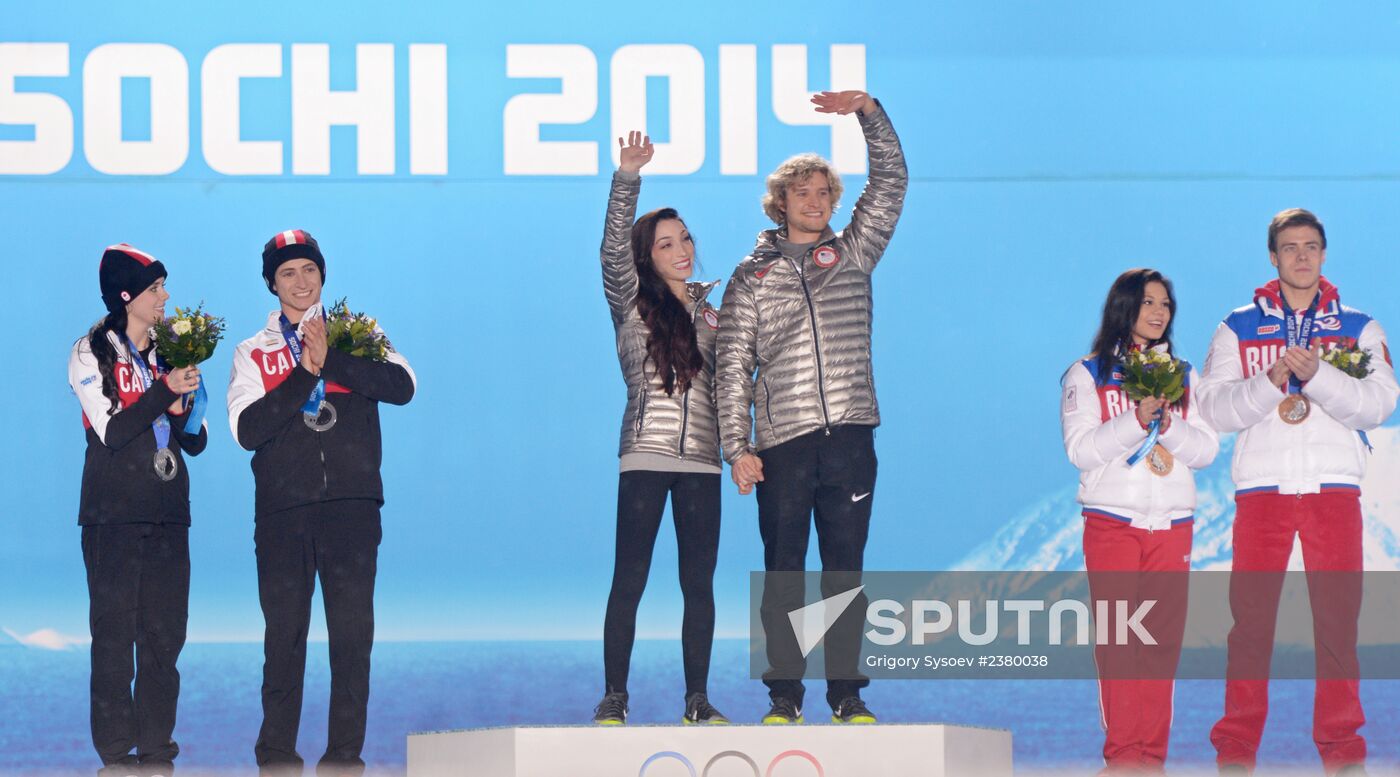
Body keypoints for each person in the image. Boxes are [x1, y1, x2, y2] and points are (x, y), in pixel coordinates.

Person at [715, 90, 907, 724]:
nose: (815, 202)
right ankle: (784, 697)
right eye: (802, 193)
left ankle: (847, 694)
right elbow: (731, 367)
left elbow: (892, 179)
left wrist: (869, 113)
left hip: (850, 435)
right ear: (780, 202)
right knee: (785, 573)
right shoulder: (751, 277)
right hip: (783, 442)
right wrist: (735, 448)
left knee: (844, 572)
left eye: (824, 192)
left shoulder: (853, 252)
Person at [1197, 209, 1397, 776]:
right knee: (1250, 626)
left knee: (1338, 623)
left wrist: (1319, 376)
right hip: (1262, 492)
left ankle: (1342, 753)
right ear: (1273, 257)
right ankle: (1235, 752)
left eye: (1311, 246)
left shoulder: (1359, 327)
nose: (1302, 256)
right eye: (1290, 247)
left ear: (1325, 254)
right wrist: (1270, 381)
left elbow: (1381, 405)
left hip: (1334, 490)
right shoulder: (1236, 327)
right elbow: (1213, 408)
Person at [227, 230, 416, 775]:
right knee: (284, 639)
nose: (300, 280)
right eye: (288, 272)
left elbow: (403, 386)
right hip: (284, 515)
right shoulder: (252, 351)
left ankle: (343, 758)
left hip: (353, 509)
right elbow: (247, 428)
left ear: (322, 275)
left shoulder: (361, 333)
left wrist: (333, 359)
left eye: (309, 269)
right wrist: (304, 372)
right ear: (272, 283)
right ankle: (277, 757)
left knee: (353, 639)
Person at [591, 131, 728, 726]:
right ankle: (615, 697)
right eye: (666, 242)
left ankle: (696, 699)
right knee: (631, 579)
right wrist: (627, 177)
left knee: (699, 586)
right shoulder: (629, 302)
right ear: (647, 254)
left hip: (703, 461)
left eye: (687, 238)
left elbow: (737, 385)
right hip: (644, 456)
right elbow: (610, 252)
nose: (682, 249)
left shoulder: (717, 314)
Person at [1060, 268, 1219, 775]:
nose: (1158, 313)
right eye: (1148, 303)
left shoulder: (1187, 375)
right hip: (1112, 523)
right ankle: (1124, 758)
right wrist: (1134, 420)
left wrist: (1167, 424)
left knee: (1160, 647)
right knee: (1120, 644)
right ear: (1123, 308)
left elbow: (1207, 450)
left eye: (1166, 305)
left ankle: (1152, 759)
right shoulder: (1087, 374)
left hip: (1173, 525)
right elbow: (1080, 451)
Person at [68, 243, 206, 776]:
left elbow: (195, 442)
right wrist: (160, 393)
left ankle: (156, 750)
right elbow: (113, 431)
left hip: (170, 514)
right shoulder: (90, 351)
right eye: (155, 288)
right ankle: (115, 755)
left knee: (165, 638)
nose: (165, 296)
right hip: (113, 517)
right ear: (128, 296)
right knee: (114, 637)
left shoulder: (170, 353)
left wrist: (185, 404)